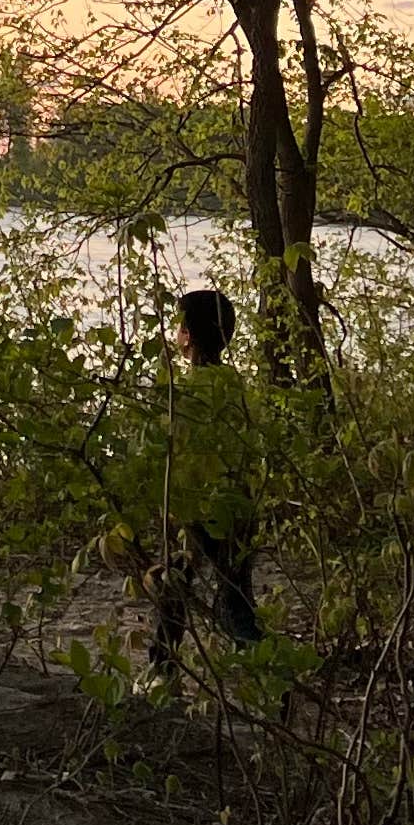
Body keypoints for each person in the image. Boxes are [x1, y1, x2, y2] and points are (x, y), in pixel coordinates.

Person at [148, 285, 263, 666]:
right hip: (238, 505)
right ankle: (268, 672)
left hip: (200, 509)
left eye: (180, 325)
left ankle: (163, 669)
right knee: (229, 595)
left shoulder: (187, 393)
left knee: (183, 589)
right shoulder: (235, 385)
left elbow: (176, 453)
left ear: (189, 336)